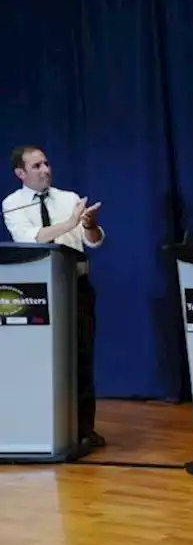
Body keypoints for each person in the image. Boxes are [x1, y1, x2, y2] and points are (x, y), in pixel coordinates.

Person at [3, 146, 106, 448]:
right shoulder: (12, 203)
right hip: (38, 294)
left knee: (82, 356)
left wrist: (88, 225)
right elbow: (31, 239)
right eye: (36, 166)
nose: (45, 169)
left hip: (76, 286)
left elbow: (94, 242)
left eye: (46, 163)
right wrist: (69, 223)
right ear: (20, 173)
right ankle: (45, 427)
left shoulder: (70, 199)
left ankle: (84, 429)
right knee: (43, 362)